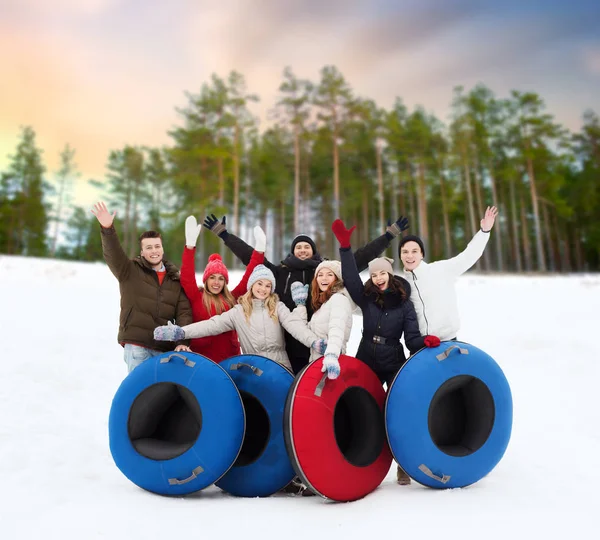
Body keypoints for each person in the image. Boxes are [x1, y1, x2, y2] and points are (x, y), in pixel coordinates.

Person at [202, 212, 408, 374]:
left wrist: (388, 235)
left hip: (318, 343)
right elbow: (250, 256)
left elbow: (359, 259)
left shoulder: (325, 270)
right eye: (298, 247)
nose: (302, 250)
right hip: (289, 343)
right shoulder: (280, 272)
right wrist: (224, 234)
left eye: (306, 247)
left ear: (313, 251)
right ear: (292, 252)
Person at [332, 219, 441, 486]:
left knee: (397, 411)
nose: (378, 278)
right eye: (374, 274)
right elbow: (348, 277)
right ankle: (352, 455)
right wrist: (345, 248)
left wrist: (425, 341)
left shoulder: (404, 302)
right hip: (366, 356)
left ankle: (402, 464)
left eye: (382, 273)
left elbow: (412, 337)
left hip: (393, 359)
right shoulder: (366, 297)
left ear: (390, 274)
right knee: (356, 406)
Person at [153, 264, 325, 372]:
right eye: (260, 284)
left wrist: (313, 341)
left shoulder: (277, 307)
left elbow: (295, 326)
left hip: (279, 367)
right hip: (253, 369)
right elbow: (211, 325)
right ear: (252, 286)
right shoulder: (239, 311)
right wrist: (181, 332)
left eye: (268, 286)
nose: (263, 289)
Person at [91, 201, 193, 373]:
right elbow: (113, 254)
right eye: (149, 247)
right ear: (142, 251)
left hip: (164, 348)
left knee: (160, 393)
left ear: (162, 249)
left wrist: (182, 342)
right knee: (139, 390)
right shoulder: (129, 271)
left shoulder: (175, 279)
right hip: (137, 344)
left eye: (157, 246)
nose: (154, 251)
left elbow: (184, 313)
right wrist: (107, 229)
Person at [399, 206, 499, 341]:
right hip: (421, 346)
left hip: (448, 341)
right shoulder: (402, 285)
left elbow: (468, 256)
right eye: (405, 252)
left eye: (414, 251)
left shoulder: (440, 270)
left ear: (422, 254)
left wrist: (484, 231)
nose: (409, 256)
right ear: (400, 255)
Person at [180, 216, 265, 362]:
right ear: (206, 280)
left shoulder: (232, 298)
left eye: (221, 279)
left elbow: (249, 277)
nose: (216, 282)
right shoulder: (196, 296)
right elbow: (187, 275)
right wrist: (189, 246)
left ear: (225, 282)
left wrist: (259, 250)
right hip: (202, 360)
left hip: (229, 359)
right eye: (212, 277)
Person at [286, 260, 355, 381]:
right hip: (317, 363)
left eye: (329, 274)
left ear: (337, 278)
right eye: (320, 274)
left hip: (330, 364)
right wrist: (300, 305)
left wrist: (331, 356)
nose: (324, 278)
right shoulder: (324, 305)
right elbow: (306, 331)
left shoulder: (339, 299)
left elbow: (336, 329)